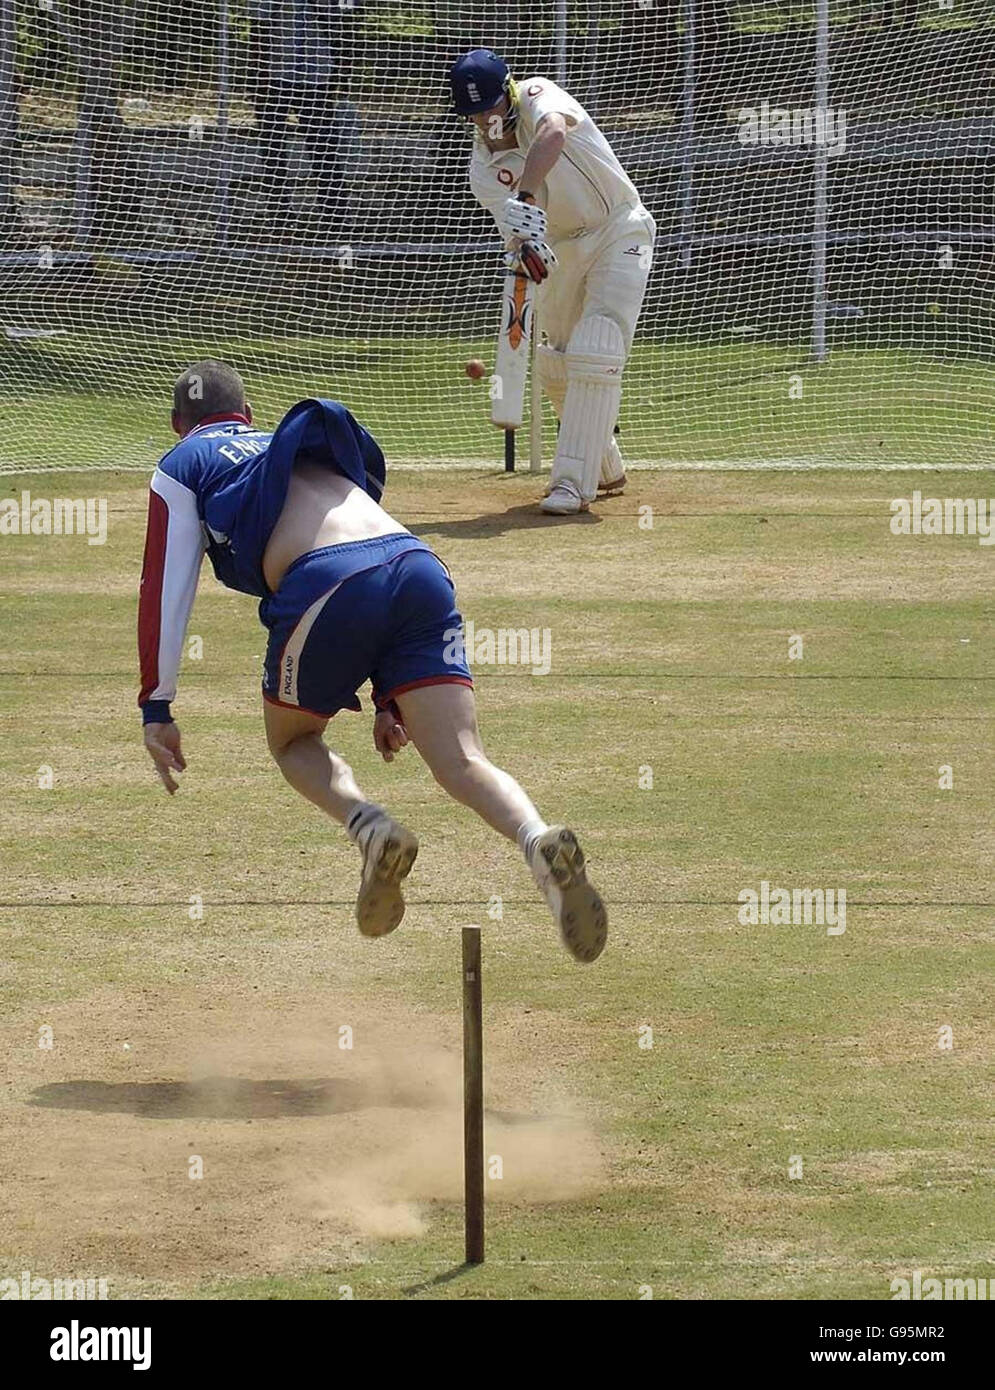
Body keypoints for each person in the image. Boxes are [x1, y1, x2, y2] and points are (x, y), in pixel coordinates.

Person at [137, 360, 607, 963]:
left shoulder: (182, 464)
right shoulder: (291, 449)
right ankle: (539, 841)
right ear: (248, 416)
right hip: (415, 564)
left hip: (326, 580)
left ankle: (369, 826)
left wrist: (158, 703)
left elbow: (164, 584)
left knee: (293, 743)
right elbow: (372, 567)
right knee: (463, 758)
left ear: (179, 425)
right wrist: (391, 698)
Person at [448, 49, 656, 515]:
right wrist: (525, 246)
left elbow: (554, 133)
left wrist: (524, 193)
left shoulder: (540, 93)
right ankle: (606, 469)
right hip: (561, 248)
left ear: (510, 93)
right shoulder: (482, 171)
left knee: (598, 344)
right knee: (558, 362)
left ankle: (570, 484)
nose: (486, 122)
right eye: (475, 116)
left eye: (492, 110)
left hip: (620, 227)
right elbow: (516, 233)